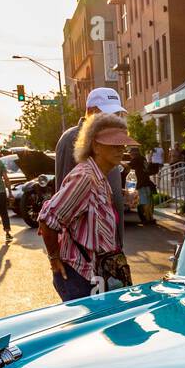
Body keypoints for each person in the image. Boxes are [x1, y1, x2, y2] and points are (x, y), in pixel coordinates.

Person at [38, 112, 138, 303]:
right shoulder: (86, 177)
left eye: (122, 144)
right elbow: (47, 219)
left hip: (96, 274)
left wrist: (124, 197)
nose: (121, 149)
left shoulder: (99, 176)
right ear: (96, 146)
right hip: (79, 277)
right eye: (114, 144)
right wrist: (54, 259)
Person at [55, 86, 125, 248]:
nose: (115, 119)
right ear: (92, 112)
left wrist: (122, 197)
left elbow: (100, 186)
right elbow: (63, 197)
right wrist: (56, 256)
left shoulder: (109, 139)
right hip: (86, 248)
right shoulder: (72, 139)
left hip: (111, 244)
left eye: (118, 114)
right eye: (110, 115)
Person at [129, 146, 156, 226]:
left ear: (134, 153)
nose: (130, 154)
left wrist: (118, 163)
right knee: (148, 201)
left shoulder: (136, 159)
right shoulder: (143, 158)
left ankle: (148, 220)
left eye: (130, 153)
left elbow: (128, 167)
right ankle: (151, 218)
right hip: (147, 183)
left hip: (142, 184)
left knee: (144, 203)